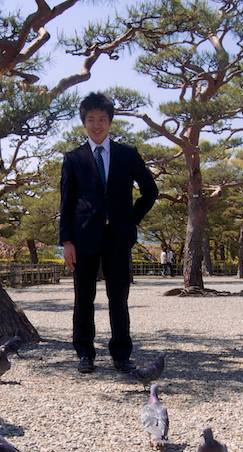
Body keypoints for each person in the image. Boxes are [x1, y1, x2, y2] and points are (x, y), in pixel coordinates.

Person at [59, 92, 158, 374]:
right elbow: (65, 202)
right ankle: (84, 353)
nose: (97, 124)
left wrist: (130, 220)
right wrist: (66, 241)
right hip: (83, 239)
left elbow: (150, 191)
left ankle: (121, 354)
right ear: (83, 122)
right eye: (91, 119)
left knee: (119, 298)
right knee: (83, 298)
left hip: (118, 238)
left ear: (110, 121)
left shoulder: (127, 154)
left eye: (102, 119)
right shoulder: (74, 158)